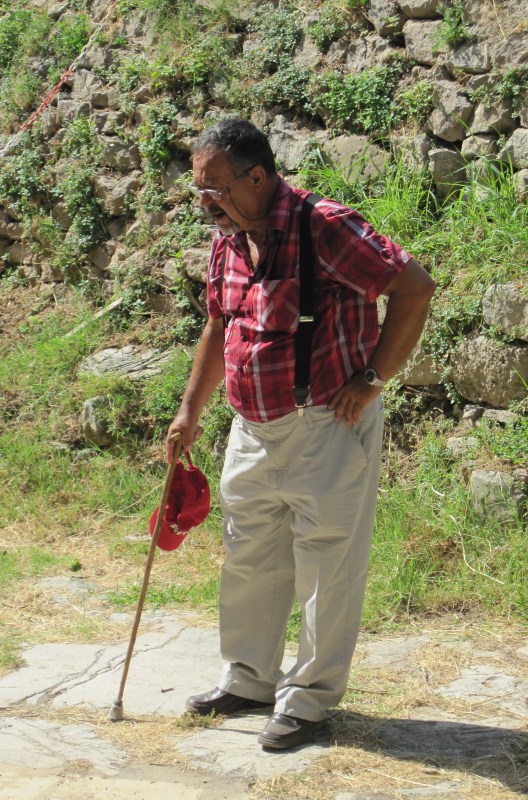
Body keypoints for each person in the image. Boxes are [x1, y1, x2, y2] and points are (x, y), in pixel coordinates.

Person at [165, 118, 435, 750]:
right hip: (251, 428)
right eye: (199, 192)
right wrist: (190, 411)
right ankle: (250, 680)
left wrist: (373, 379)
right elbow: (216, 326)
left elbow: (415, 286)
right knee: (249, 556)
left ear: (258, 177)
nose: (207, 205)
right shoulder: (228, 238)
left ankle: (308, 702)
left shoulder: (325, 226)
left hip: (325, 425)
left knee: (327, 566)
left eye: (216, 190)